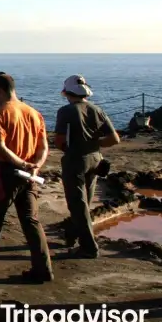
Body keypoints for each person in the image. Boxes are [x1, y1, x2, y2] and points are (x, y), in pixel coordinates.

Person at [0, 73, 53, 283]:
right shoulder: (33, 112)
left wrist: (21, 164)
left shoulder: (2, 113)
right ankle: (43, 268)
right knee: (31, 220)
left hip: (7, 172)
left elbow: (1, 147)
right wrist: (35, 166)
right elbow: (43, 146)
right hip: (29, 175)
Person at [55, 75, 121, 259]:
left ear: (67, 92)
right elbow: (114, 138)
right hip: (95, 158)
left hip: (76, 159)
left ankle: (89, 247)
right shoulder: (96, 109)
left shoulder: (66, 111)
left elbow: (60, 141)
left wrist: (73, 147)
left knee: (77, 203)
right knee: (86, 201)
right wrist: (93, 143)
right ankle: (74, 235)